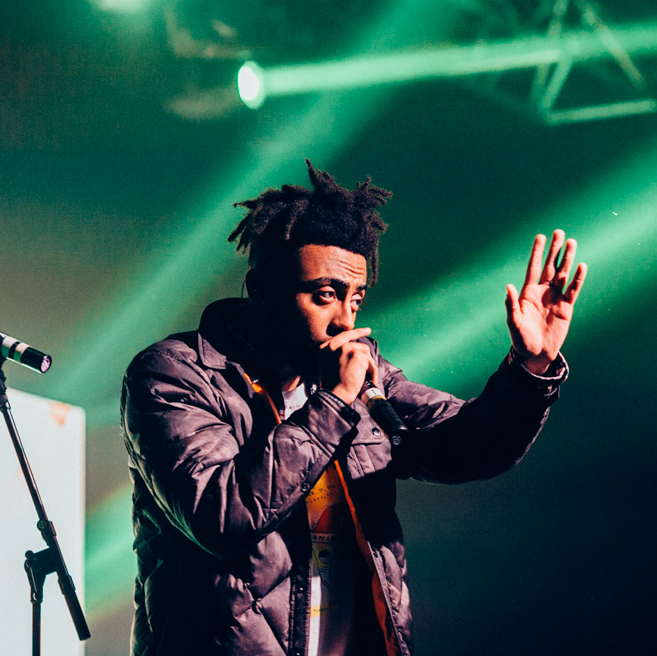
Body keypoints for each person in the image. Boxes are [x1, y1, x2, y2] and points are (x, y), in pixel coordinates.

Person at [120, 160, 587, 656]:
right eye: (325, 295)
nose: (346, 320)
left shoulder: (369, 379)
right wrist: (333, 404)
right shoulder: (176, 374)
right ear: (262, 291)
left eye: (356, 299)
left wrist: (530, 367)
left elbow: (469, 444)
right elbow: (221, 514)